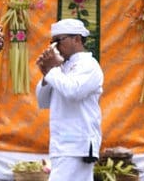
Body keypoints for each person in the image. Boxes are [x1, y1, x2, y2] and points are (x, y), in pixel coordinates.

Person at [35, 18, 103, 181]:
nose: (54, 47)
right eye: (52, 42)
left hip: (77, 145)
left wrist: (52, 70)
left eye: (58, 41)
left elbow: (73, 91)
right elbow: (42, 101)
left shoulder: (89, 65)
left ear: (77, 39)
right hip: (62, 145)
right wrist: (46, 73)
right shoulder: (61, 67)